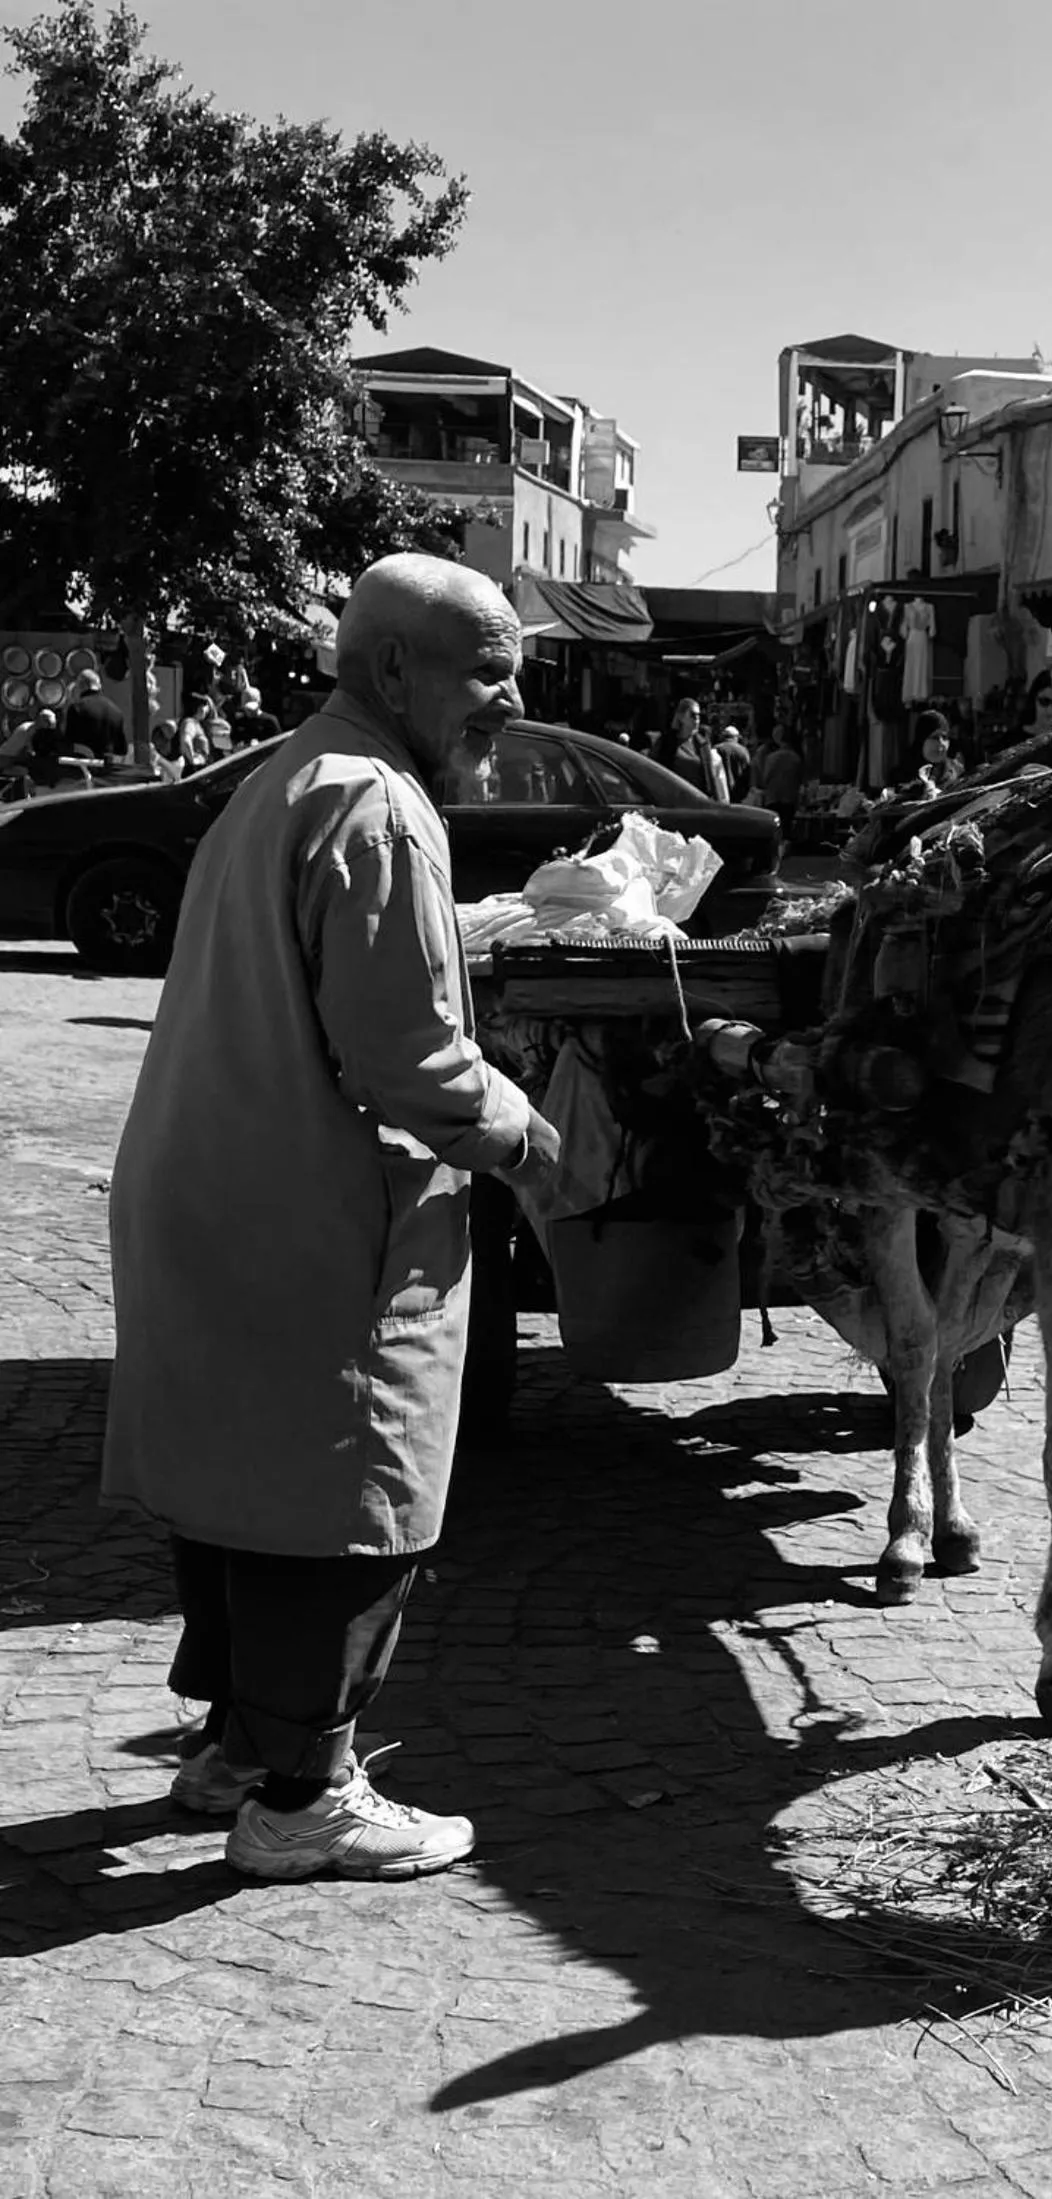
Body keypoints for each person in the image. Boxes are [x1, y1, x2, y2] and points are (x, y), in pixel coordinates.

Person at [101, 552, 562, 1883]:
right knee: (350, 1494)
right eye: (487, 672)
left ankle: (235, 1748)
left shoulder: (282, 779)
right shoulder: (375, 803)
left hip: (213, 1189)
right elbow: (410, 1064)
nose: (508, 704)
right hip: (313, 1209)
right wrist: (532, 1142)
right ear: (387, 670)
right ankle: (306, 1793)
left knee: (242, 1481)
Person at [63, 670, 128, 766]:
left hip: (83, 768)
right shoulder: (116, 711)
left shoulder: (76, 708)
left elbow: (68, 743)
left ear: (81, 686)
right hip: (108, 769)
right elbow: (122, 750)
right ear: (99, 685)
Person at [757, 730, 805, 844]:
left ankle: (775, 847)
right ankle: (785, 846)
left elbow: (765, 777)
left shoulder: (771, 758)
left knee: (774, 825)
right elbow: (800, 778)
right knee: (787, 825)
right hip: (789, 796)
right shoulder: (796, 758)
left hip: (773, 796)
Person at [228, 685, 282, 749]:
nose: (250, 711)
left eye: (252, 709)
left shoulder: (270, 720)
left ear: (259, 703)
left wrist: (259, 744)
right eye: (247, 708)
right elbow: (233, 741)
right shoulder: (239, 722)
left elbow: (279, 744)